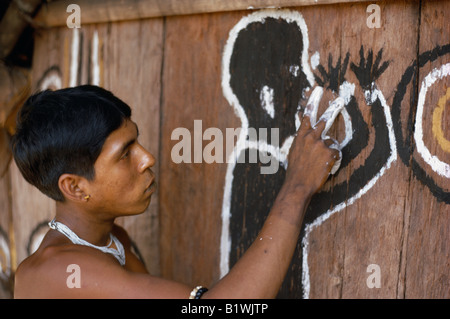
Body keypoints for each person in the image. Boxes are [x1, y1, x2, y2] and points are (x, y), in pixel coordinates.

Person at [12, 85, 339, 298]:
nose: (147, 158)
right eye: (125, 154)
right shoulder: (62, 272)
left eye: (136, 141)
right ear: (74, 186)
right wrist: (296, 188)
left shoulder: (114, 240)